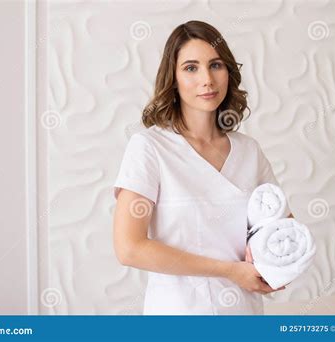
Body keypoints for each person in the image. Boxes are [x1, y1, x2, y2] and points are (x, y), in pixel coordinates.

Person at [113, 20, 293, 315]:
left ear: (229, 72)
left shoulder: (249, 151)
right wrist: (229, 271)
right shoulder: (149, 148)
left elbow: (282, 229)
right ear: (172, 78)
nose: (207, 79)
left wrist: (272, 261)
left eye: (216, 65)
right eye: (191, 67)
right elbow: (129, 248)